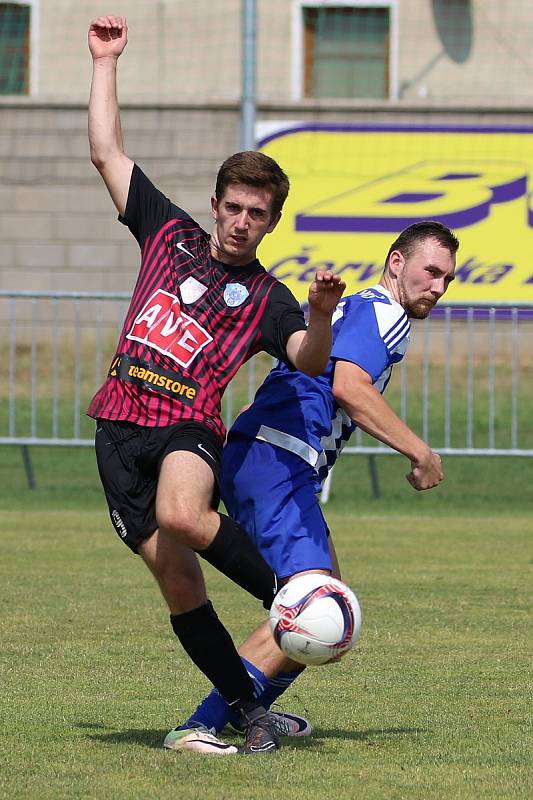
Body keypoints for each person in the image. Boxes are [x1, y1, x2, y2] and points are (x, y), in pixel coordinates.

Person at [86, 15, 345, 756]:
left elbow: (307, 358)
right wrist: (104, 61)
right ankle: (243, 709)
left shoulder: (268, 295)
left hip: (187, 429)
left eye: (255, 214)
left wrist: (322, 313)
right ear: (216, 202)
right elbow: (106, 151)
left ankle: (288, 597)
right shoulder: (164, 234)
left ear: (271, 221)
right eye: (231, 207)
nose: (239, 222)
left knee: (186, 513)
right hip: (116, 430)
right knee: (180, 587)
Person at [172, 220, 459, 738]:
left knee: (334, 606)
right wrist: (421, 452)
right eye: (431, 272)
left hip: (265, 457)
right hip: (276, 462)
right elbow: (350, 386)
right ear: (397, 263)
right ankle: (204, 725)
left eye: (447, 280)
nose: (437, 288)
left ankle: (247, 711)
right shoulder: (387, 313)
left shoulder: (359, 308)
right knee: (317, 608)